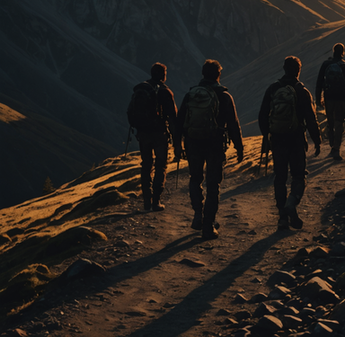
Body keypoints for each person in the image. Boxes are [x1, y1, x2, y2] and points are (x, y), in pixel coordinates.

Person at [174, 59, 244, 240]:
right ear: (218, 75)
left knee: (195, 179)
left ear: (203, 74)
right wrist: (239, 147)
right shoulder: (224, 96)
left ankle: (198, 215)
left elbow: (179, 121)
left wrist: (177, 146)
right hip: (214, 144)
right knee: (213, 185)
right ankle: (208, 225)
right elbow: (233, 124)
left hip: (193, 143)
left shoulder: (191, 95)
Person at [259, 56, 321, 230]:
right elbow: (311, 118)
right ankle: (291, 203)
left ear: (284, 69)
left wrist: (267, 136)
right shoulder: (302, 91)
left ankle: (282, 218)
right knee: (299, 175)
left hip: (277, 139)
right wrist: (317, 140)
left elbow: (262, 115)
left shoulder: (272, 89)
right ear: (298, 71)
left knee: (280, 176)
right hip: (296, 139)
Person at [128, 63, 177, 211]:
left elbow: (130, 111)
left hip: (143, 133)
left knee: (146, 165)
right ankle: (156, 201)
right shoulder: (165, 92)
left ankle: (146, 202)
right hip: (159, 134)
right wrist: (177, 140)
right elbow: (173, 117)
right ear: (163, 75)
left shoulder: (142, 89)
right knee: (160, 165)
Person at [315, 43, 345, 161]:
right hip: (341, 98)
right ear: (342, 52)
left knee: (330, 122)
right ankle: (336, 148)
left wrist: (318, 99)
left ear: (333, 51)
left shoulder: (326, 64)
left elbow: (319, 82)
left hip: (328, 97)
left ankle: (332, 144)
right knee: (339, 122)